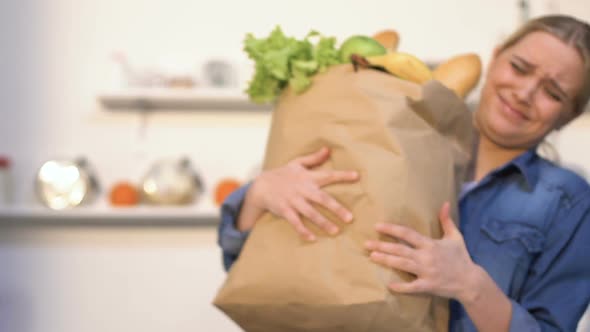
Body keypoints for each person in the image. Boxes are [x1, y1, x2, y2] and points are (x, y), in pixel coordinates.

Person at [218, 15, 590, 332]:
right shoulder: (383, 133)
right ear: (495, 59)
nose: (524, 92)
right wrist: (260, 196)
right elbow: (249, 267)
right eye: (519, 68)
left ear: (569, 116)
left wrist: (471, 285)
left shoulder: (569, 203)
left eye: (553, 93)